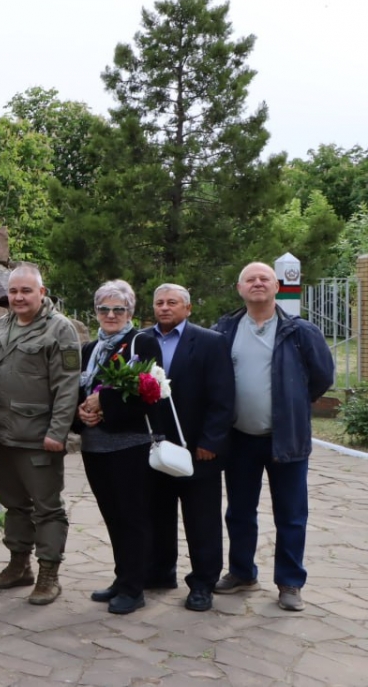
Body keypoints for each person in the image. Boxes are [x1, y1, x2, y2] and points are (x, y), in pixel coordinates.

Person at [212, 262, 334, 611]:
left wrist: (291, 402)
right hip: (239, 439)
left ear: (277, 286)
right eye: (250, 279)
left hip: (287, 438)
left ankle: (290, 583)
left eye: (264, 278)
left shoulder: (300, 331)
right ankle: (242, 572)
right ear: (239, 288)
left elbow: (321, 377)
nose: (258, 283)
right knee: (239, 512)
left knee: (291, 514)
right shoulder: (225, 328)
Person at [0, 263, 80, 605]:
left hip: (40, 437)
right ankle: (18, 565)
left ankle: (49, 574)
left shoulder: (60, 330)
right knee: (13, 506)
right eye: (13, 291)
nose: (19, 297)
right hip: (6, 437)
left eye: (26, 291)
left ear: (42, 292)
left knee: (47, 509)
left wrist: (58, 432)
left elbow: (67, 386)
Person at [75, 280, 162, 614]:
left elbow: (148, 392)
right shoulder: (89, 348)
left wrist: (103, 403)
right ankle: (121, 577)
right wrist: (82, 412)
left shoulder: (143, 342)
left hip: (130, 443)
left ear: (130, 312)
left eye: (118, 309)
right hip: (95, 444)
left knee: (132, 516)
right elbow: (80, 391)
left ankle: (133, 588)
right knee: (112, 515)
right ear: (95, 311)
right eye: (104, 309)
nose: (110, 315)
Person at [147, 283, 235, 612]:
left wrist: (211, 442)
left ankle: (202, 583)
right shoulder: (144, 341)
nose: (165, 307)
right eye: (159, 302)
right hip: (155, 447)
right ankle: (159, 572)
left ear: (188, 308)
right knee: (157, 514)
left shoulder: (211, 342)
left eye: (172, 302)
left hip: (199, 449)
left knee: (202, 520)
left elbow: (223, 397)